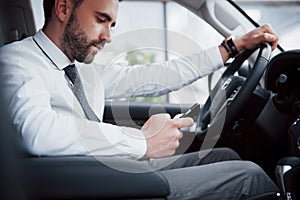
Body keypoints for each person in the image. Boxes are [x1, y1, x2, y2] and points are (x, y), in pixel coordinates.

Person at [0, 0, 280, 199]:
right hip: (89, 182)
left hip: (110, 170)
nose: (108, 37)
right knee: (250, 175)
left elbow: (157, 75)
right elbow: (35, 131)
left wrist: (232, 47)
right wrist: (142, 142)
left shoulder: (84, 71)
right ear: (63, 8)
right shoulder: (17, 61)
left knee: (225, 155)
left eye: (112, 24)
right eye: (101, 19)